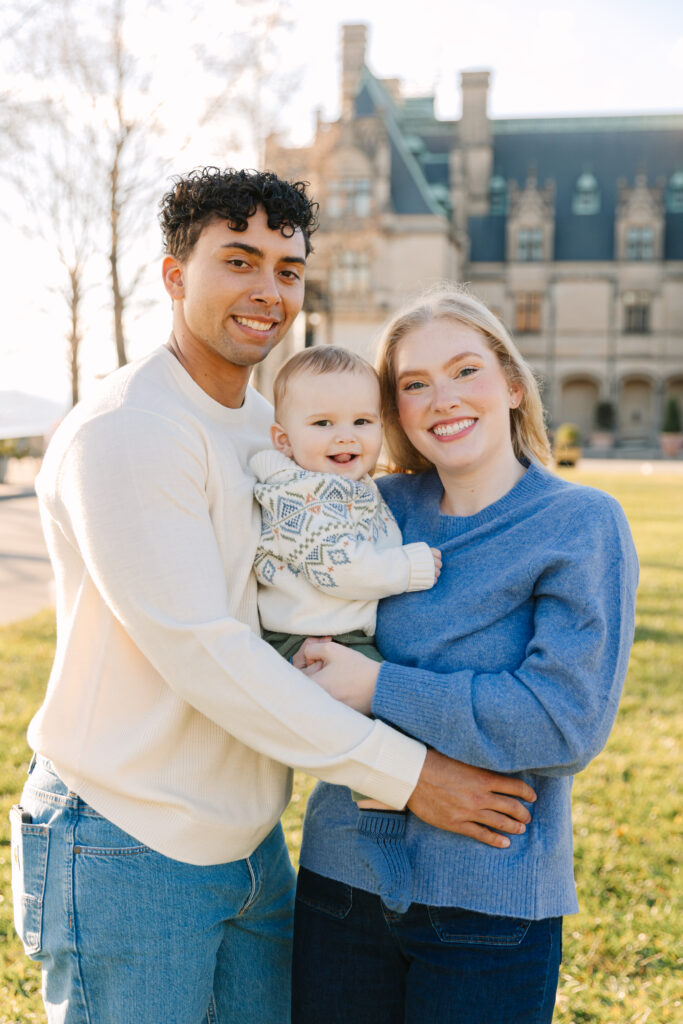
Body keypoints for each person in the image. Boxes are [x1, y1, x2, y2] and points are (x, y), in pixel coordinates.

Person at [10, 171, 536, 1024]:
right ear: (176, 275)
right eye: (240, 260)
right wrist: (408, 776)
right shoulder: (130, 431)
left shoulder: (269, 428)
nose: (268, 292)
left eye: (288, 270)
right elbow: (206, 653)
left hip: (252, 838)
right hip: (127, 836)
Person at [291, 286, 639, 1024]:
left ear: (512, 384)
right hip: (337, 880)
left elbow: (559, 726)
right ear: (397, 411)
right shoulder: (370, 505)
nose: (441, 398)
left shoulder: (578, 525)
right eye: (414, 384)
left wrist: (377, 686)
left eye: (464, 371)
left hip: (488, 906)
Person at [250, 345, 441, 913]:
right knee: (391, 736)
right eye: (324, 423)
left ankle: (394, 825)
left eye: (361, 422)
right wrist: (409, 567)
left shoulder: (341, 487)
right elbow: (339, 566)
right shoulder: (301, 497)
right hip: (313, 642)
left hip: (335, 634)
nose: (346, 437)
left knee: (395, 725)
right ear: (284, 440)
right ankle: (385, 861)